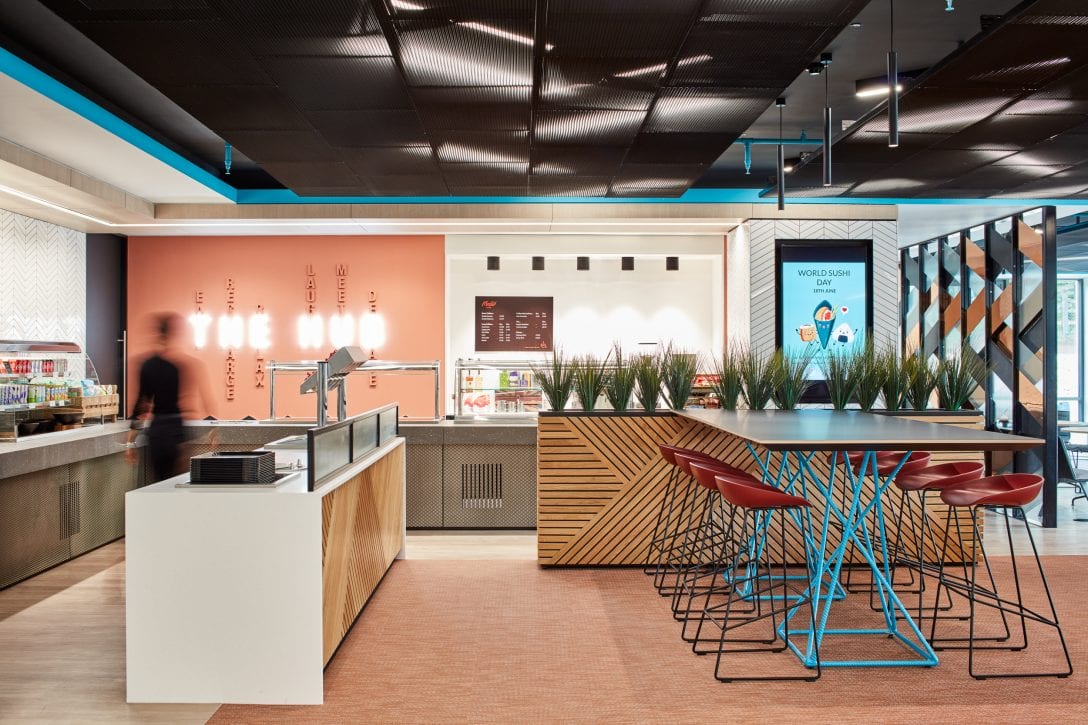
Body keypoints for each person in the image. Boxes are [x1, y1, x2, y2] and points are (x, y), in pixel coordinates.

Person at [124, 312, 216, 481]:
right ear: (171, 334)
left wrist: (130, 442)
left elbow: (141, 405)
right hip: (177, 430)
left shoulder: (148, 365)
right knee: (178, 482)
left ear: (158, 334)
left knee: (160, 481)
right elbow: (201, 402)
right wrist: (213, 431)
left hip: (158, 432)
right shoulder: (180, 366)